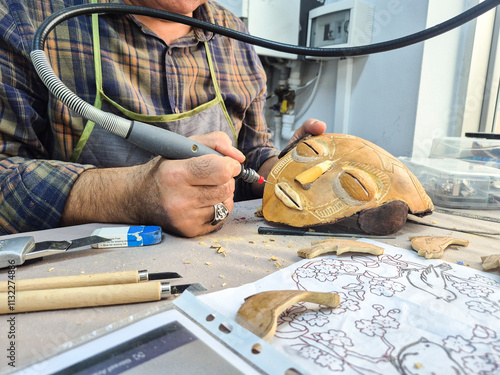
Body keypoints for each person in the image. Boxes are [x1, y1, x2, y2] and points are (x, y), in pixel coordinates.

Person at [0, 0, 326, 237]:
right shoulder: (27, 16)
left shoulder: (233, 33)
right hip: (81, 281)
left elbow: (251, 154)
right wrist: (131, 194)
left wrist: (288, 169)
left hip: (215, 270)